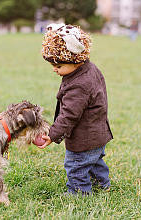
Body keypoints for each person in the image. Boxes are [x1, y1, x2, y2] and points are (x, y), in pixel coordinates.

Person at [37, 23, 113, 195]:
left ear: (75, 58)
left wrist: (52, 134)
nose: (55, 70)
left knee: (76, 164)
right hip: (98, 133)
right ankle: (102, 184)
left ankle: (79, 192)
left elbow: (69, 115)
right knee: (93, 161)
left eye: (59, 66)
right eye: (53, 66)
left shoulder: (79, 85)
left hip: (84, 137)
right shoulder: (89, 68)